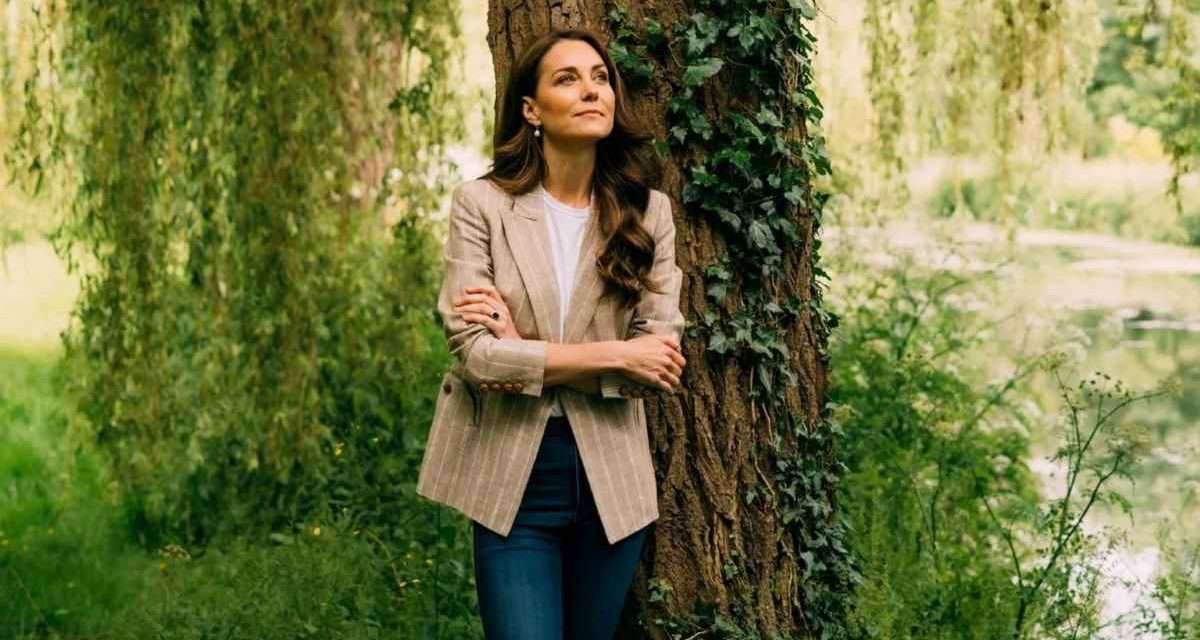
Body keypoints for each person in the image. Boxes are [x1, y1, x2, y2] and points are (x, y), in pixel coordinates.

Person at [415, 27, 687, 640]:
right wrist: (619, 354)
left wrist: (525, 349)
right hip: (513, 479)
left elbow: (661, 362)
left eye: (599, 78)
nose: (591, 90)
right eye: (567, 79)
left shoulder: (649, 215)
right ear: (531, 110)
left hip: (610, 482)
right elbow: (477, 357)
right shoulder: (480, 205)